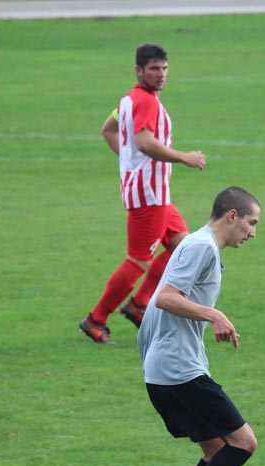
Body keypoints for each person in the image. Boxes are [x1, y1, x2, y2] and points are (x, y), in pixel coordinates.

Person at [140, 186, 261, 466]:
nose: (253, 232)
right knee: (243, 443)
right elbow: (165, 297)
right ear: (231, 216)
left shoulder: (200, 245)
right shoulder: (201, 246)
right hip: (179, 371)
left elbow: (157, 308)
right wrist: (215, 315)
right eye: (251, 222)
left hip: (168, 369)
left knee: (215, 451)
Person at [81, 42, 207, 344]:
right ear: (139, 70)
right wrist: (184, 157)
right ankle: (96, 320)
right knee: (138, 261)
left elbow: (108, 129)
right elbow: (145, 142)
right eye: (153, 69)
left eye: (164, 68)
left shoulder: (129, 99)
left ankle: (139, 306)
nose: (160, 74)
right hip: (149, 196)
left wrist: (129, 163)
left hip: (153, 192)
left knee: (182, 247)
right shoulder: (146, 102)